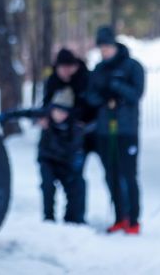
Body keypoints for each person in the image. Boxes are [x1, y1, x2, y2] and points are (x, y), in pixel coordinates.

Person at [88, 26, 145, 235]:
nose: (104, 52)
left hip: (126, 130)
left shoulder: (132, 66)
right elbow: (90, 95)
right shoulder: (99, 69)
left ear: (114, 45)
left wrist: (117, 88)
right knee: (110, 174)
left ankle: (134, 218)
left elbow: (136, 94)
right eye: (101, 48)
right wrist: (103, 97)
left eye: (107, 47)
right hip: (105, 130)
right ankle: (119, 216)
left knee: (128, 175)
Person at [38, 48, 94, 223]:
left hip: (79, 136)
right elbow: (46, 104)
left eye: (69, 67)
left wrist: (79, 122)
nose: (66, 72)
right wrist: (47, 117)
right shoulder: (53, 81)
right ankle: (49, 219)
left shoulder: (84, 79)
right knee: (48, 183)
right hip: (54, 140)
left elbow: (90, 106)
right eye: (62, 68)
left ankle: (75, 218)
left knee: (76, 180)